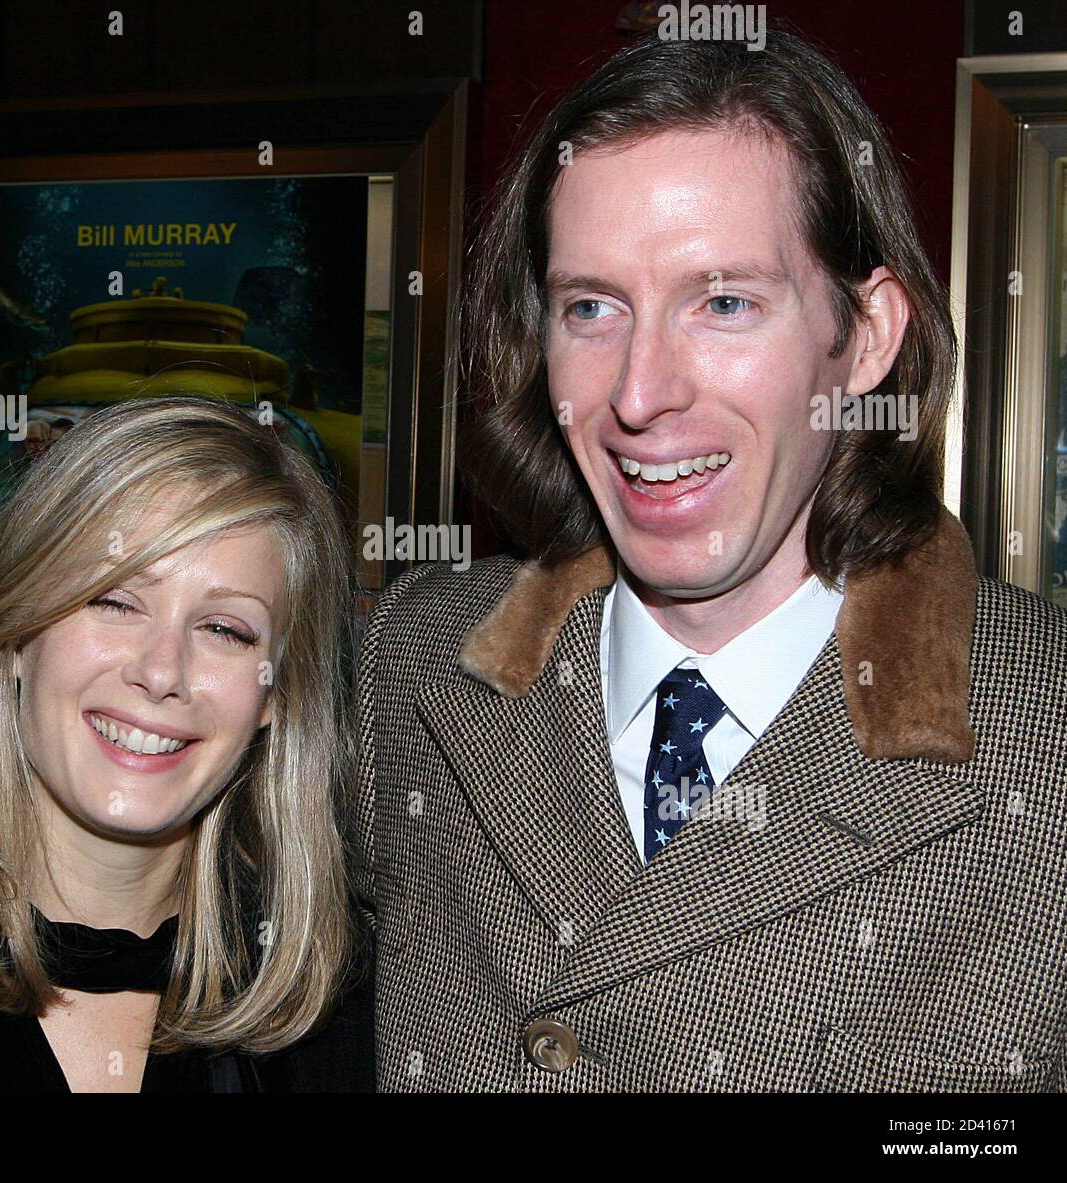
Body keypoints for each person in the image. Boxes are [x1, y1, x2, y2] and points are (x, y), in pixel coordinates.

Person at [353, 28, 1067, 1091]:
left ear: (865, 336)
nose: (640, 393)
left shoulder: (1042, 734)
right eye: (590, 308)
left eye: (723, 301)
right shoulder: (412, 663)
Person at [0, 395, 373, 1092]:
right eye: (113, 600)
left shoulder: (345, 1013)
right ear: (19, 629)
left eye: (225, 629)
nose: (159, 671)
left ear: (277, 696)